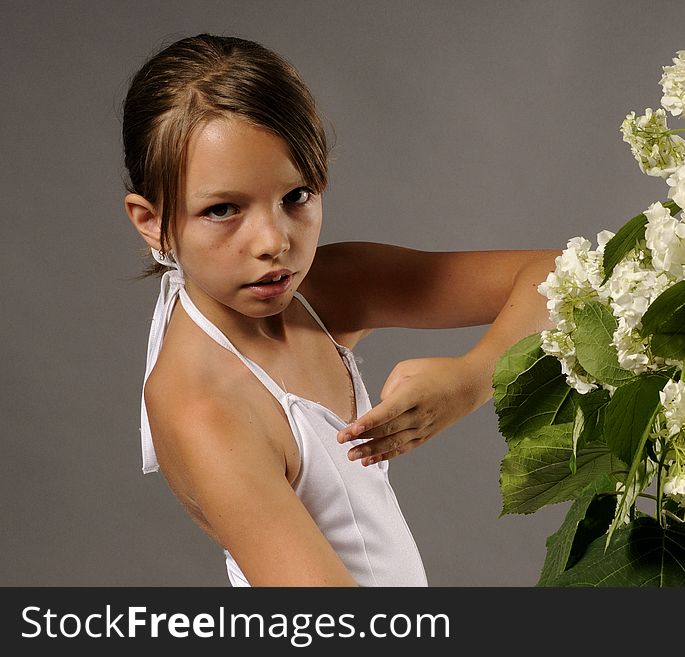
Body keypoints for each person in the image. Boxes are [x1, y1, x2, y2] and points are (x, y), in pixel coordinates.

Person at [123, 33, 558, 586]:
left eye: (296, 197)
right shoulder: (202, 406)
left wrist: (474, 378)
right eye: (223, 209)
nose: (273, 241)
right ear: (151, 221)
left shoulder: (322, 292)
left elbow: (564, 276)